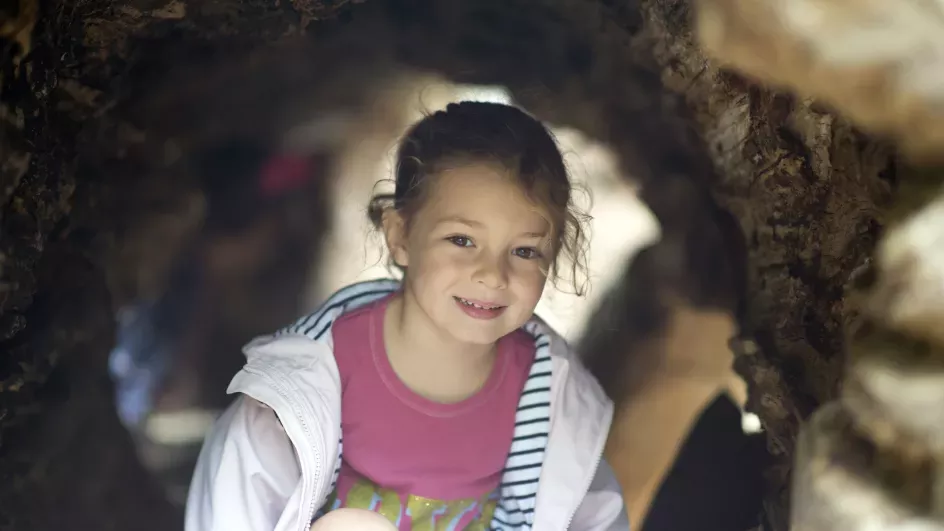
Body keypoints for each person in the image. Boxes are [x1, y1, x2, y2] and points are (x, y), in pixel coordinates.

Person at [185, 101, 629, 531]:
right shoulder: (314, 375)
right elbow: (235, 504)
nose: (493, 275)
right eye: (461, 240)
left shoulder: (551, 395)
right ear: (400, 235)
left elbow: (591, 516)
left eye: (525, 251)